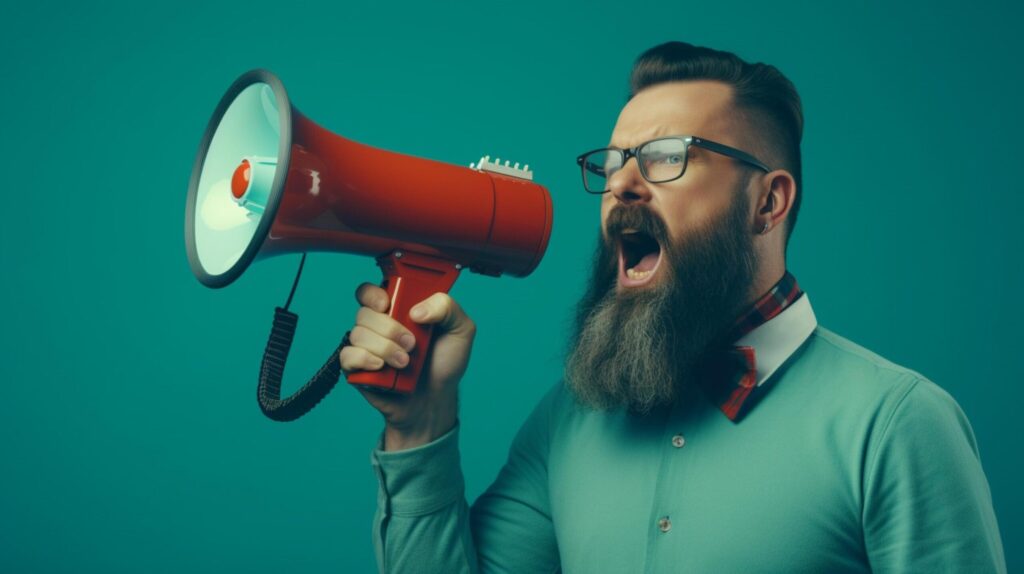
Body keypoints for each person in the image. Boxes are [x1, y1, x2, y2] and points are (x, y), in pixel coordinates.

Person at [340, 42, 1007, 573]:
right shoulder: (568, 422)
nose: (621, 184)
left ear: (768, 202)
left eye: (665, 158)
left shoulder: (896, 426)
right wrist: (419, 426)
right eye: (614, 162)